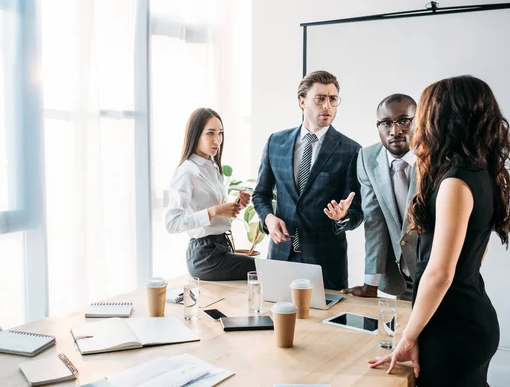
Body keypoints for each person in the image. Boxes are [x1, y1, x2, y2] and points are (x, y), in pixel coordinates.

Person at [369, 76, 510, 386]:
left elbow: (440, 273)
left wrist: (409, 336)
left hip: (453, 329)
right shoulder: (480, 172)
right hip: (464, 317)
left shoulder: (455, 182)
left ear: (442, 118)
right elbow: (475, 253)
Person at [252, 70, 363, 290]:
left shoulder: (351, 151)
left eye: (333, 99)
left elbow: (358, 211)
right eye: (320, 98)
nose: (327, 106)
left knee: (323, 325)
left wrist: (343, 216)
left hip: (325, 264)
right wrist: (269, 219)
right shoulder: (276, 142)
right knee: (276, 320)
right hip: (281, 256)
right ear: (302, 102)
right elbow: (260, 194)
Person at [165, 107, 256, 281]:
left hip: (221, 246)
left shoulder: (213, 167)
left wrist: (236, 205)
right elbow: (172, 223)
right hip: (204, 254)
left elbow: (213, 210)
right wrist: (214, 211)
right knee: (262, 269)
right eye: (210, 133)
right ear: (196, 135)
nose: (217, 140)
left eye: (220, 133)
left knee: (262, 271)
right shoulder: (186, 172)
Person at [342, 94, 418, 301]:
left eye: (404, 121)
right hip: (403, 277)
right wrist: (370, 285)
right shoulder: (367, 158)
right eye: (386, 123)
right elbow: (374, 223)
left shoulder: (437, 157)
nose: (395, 131)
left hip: (439, 274)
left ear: (418, 121)